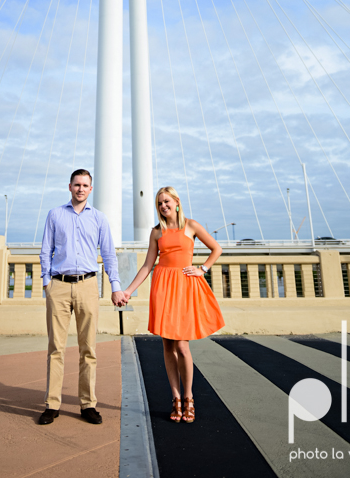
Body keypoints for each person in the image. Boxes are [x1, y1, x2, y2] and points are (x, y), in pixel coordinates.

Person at [123, 186, 224, 424]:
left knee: (182, 346)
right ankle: (175, 399)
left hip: (184, 287)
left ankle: (189, 398)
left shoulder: (191, 225)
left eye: (166, 201)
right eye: (159, 203)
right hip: (163, 287)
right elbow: (148, 265)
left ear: (177, 202)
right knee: (167, 345)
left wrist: (202, 269)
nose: (163, 206)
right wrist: (128, 291)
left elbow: (216, 249)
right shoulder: (156, 232)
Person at [38, 168, 126, 426]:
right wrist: (46, 284)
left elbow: (109, 256)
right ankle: (52, 404)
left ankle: (88, 404)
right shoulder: (55, 215)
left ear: (90, 189)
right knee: (56, 348)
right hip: (59, 285)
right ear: (69, 187)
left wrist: (115, 286)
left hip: (88, 284)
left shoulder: (99, 219)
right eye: (76, 184)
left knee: (89, 349)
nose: (80, 189)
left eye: (85, 185)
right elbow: (46, 250)